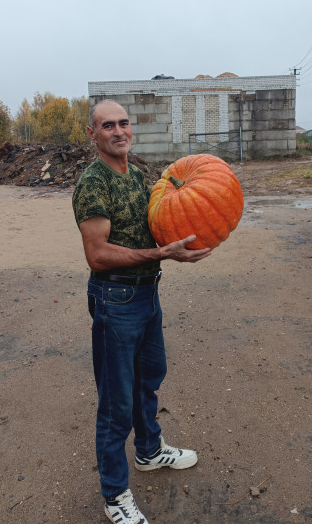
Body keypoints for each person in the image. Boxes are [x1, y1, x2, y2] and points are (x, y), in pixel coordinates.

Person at [72, 99, 211, 524]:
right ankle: (115, 495)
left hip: (148, 295)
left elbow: (168, 218)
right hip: (116, 300)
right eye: (107, 125)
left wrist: (179, 246)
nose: (119, 131)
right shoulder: (93, 184)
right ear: (93, 135)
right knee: (116, 403)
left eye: (124, 123)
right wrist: (162, 253)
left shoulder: (140, 175)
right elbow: (97, 254)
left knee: (149, 379)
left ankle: (150, 452)